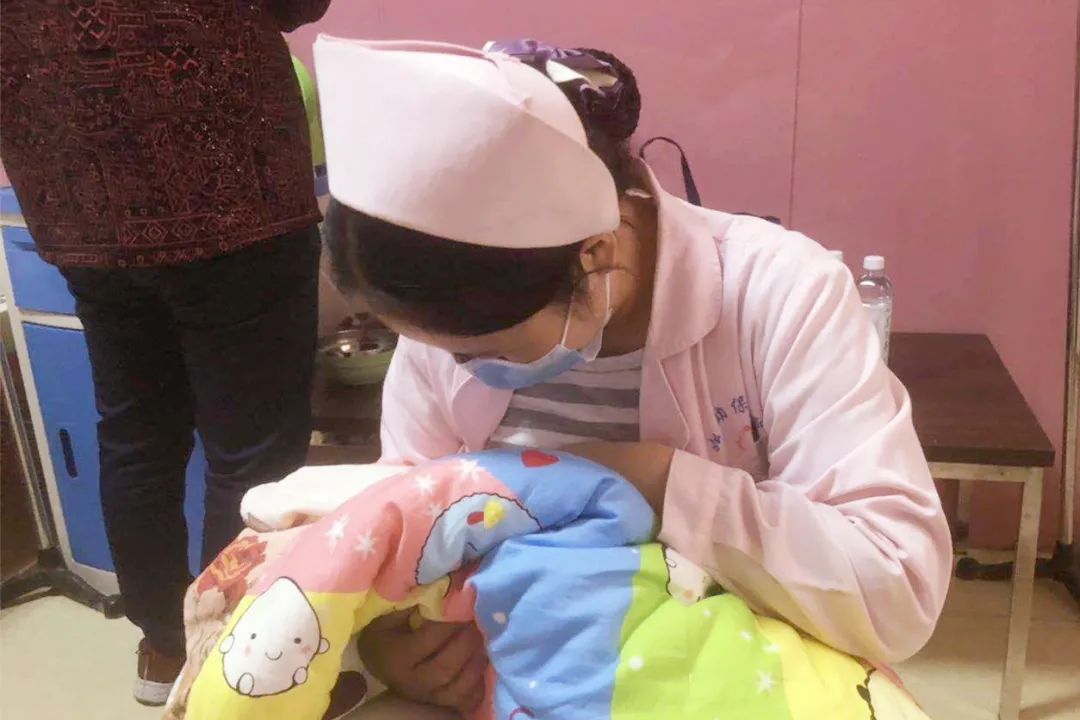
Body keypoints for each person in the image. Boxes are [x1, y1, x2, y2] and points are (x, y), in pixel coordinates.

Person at [315, 36, 953, 718]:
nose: (459, 371)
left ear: (596, 254)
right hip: (508, 676)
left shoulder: (781, 292)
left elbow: (896, 589)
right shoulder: (443, 315)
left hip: (727, 681)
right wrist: (386, 638)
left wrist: (654, 481)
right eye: (436, 351)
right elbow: (402, 528)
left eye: (487, 351)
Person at [0, 0, 331, 706]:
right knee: (250, 452)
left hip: (79, 194)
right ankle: (226, 658)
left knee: (136, 435)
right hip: (230, 189)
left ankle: (162, 646)